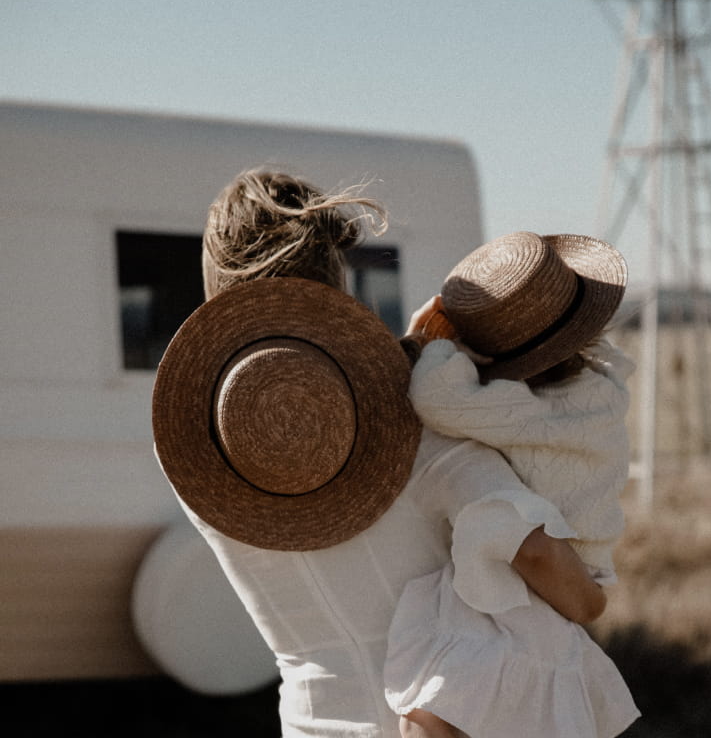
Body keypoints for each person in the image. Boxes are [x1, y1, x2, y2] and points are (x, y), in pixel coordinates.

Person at [152, 169, 609, 738]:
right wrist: (591, 603)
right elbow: (540, 558)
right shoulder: (414, 435)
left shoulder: (201, 454)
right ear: (336, 286)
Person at [384, 231, 641, 737]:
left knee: (437, 710)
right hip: (584, 569)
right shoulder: (603, 389)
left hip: (543, 580)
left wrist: (431, 342)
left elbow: (435, 398)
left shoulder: (515, 410)